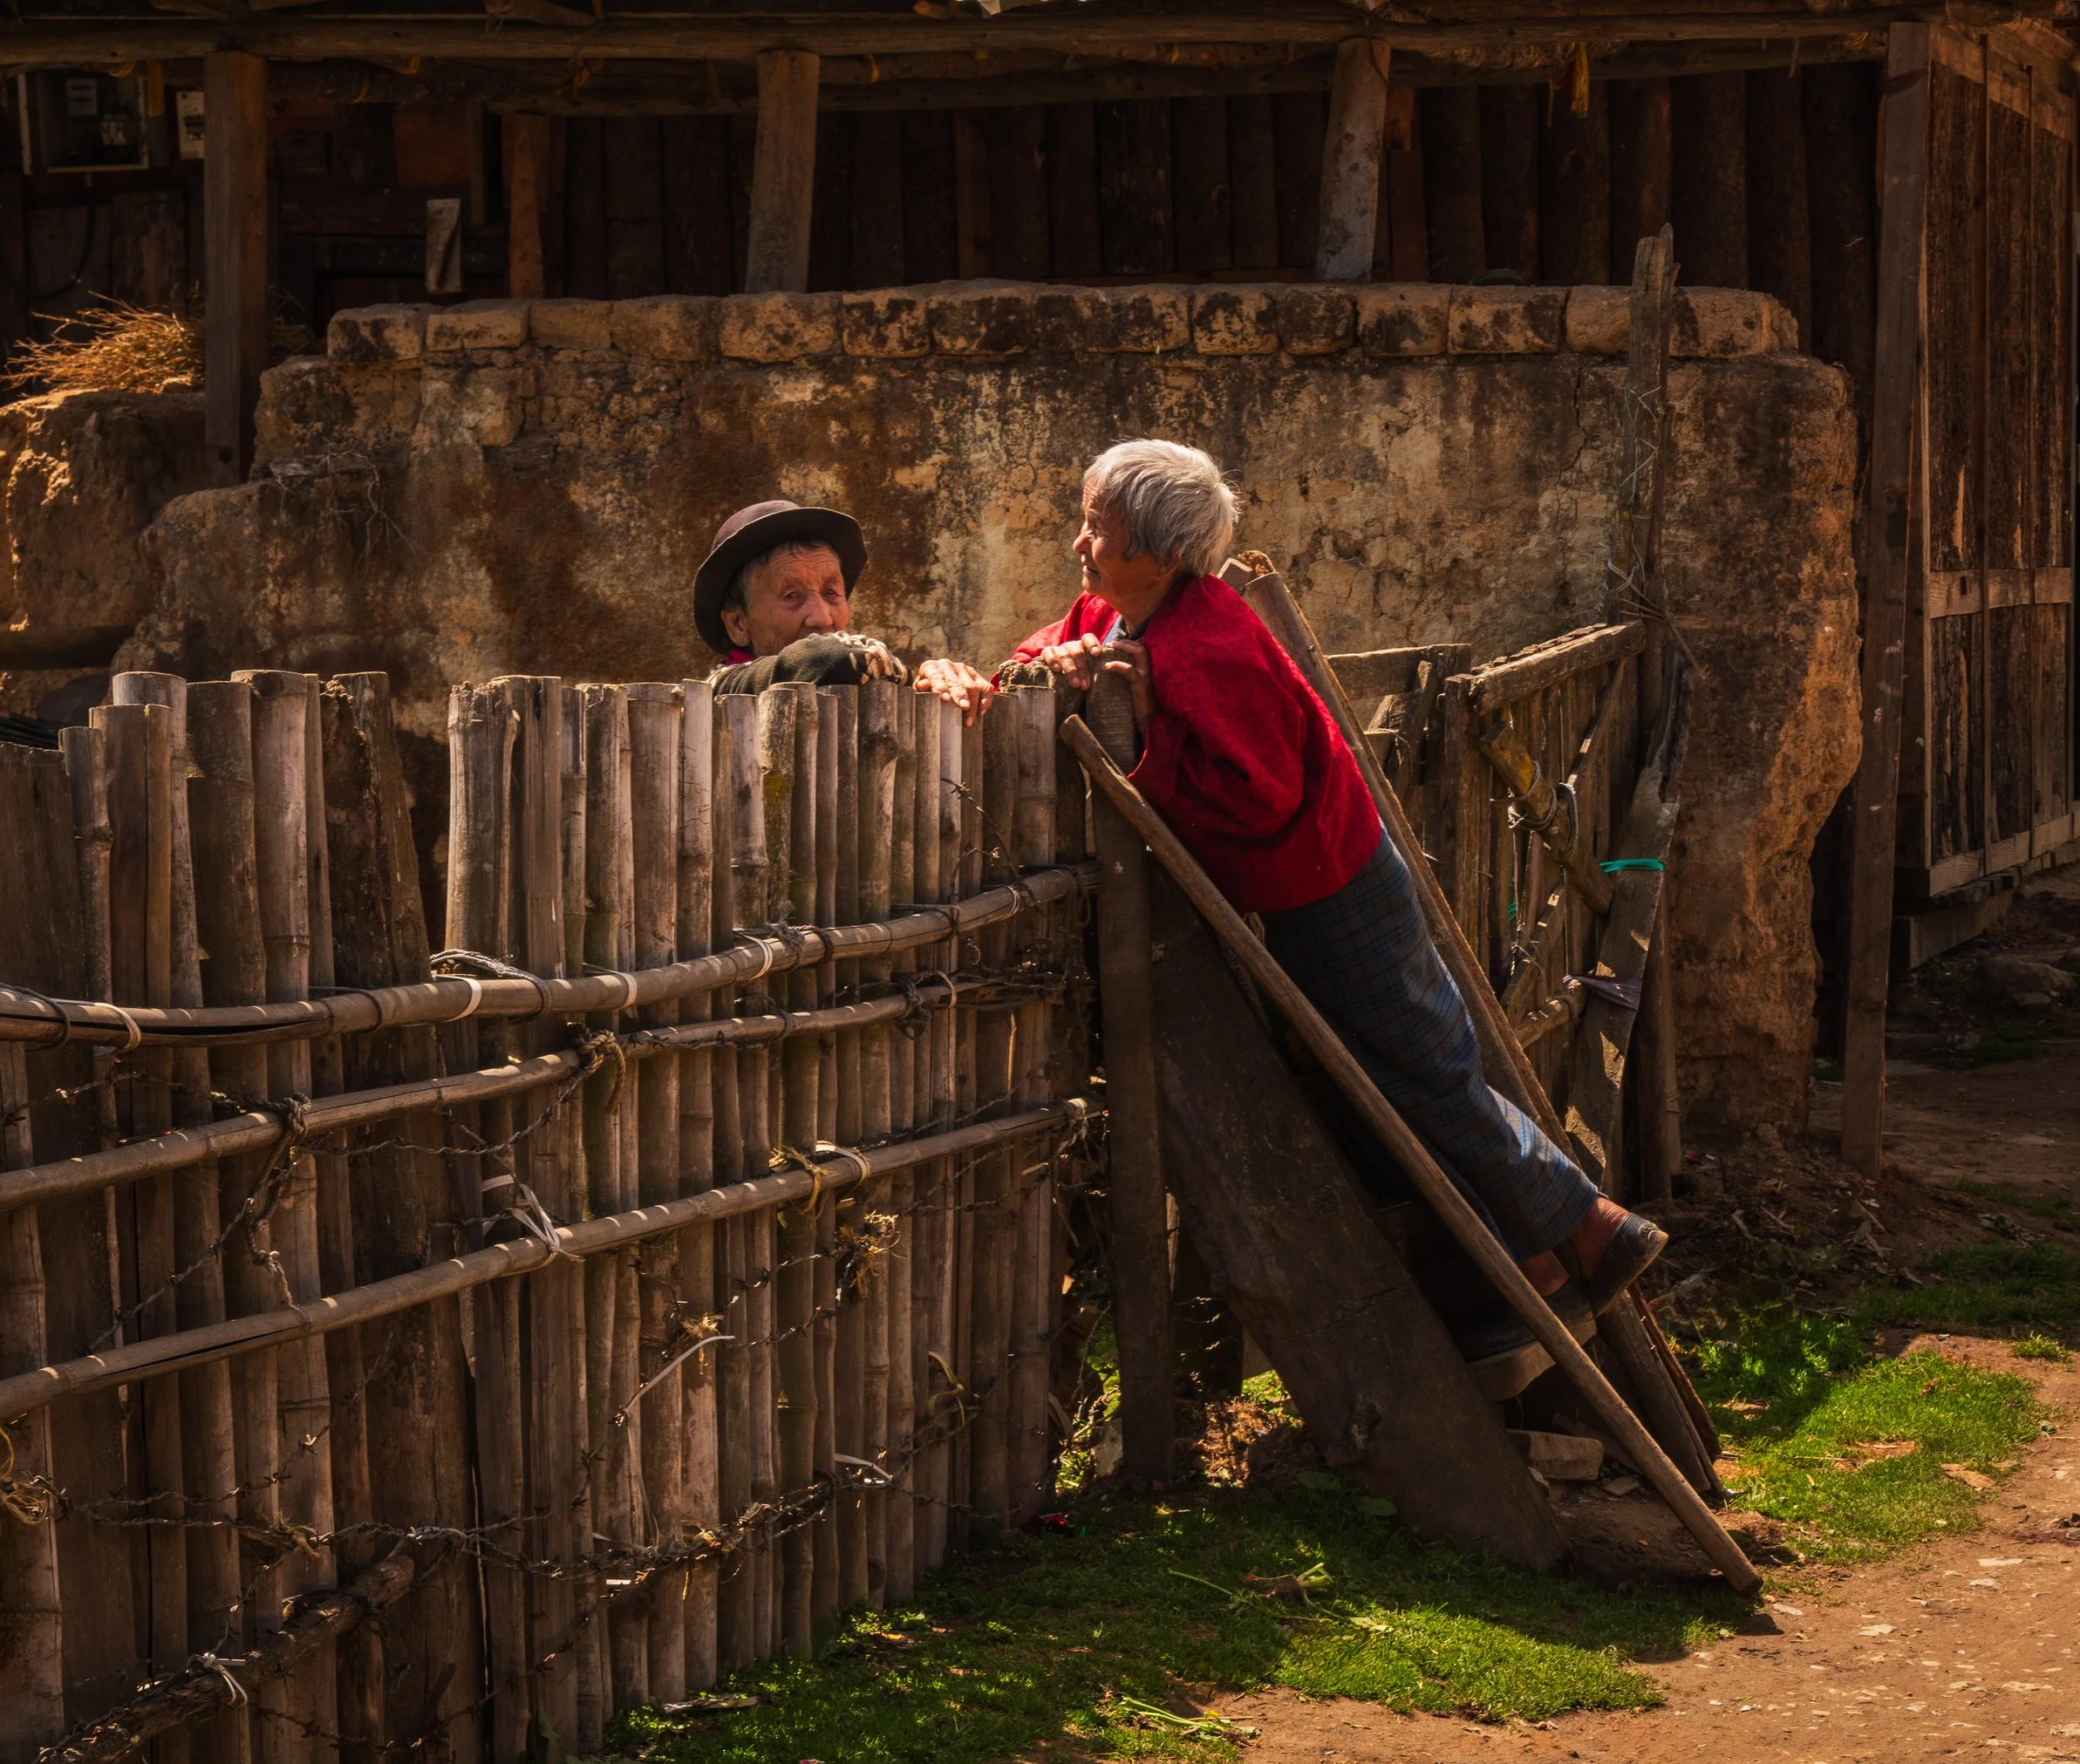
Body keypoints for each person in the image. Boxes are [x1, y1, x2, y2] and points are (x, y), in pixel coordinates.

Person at [1014, 439, 1667, 1346]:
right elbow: (1060, 637)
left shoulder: (1207, 645)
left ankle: (1596, 1228)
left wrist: (1155, 734)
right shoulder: (1129, 610)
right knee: (1393, 1080)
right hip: (1306, 881)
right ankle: (1537, 1267)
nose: (1080, 546)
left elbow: (1261, 795)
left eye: (1099, 528)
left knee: (1422, 1076)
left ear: (1164, 553)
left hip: (1329, 883)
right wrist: (1052, 665)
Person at [692, 498, 998, 715]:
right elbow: (828, 656)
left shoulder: (857, 686)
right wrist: (912, 678)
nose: (822, 617)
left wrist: (937, 683)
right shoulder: (721, 689)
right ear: (738, 624)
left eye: (831, 592)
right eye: (791, 596)